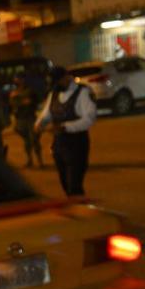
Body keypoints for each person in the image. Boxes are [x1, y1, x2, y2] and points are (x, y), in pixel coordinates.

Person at [35, 66, 97, 196]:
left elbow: (89, 119)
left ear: (66, 78)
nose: (55, 86)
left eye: (57, 82)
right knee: (65, 185)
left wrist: (65, 127)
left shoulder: (83, 92)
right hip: (59, 144)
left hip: (77, 144)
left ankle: (80, 210)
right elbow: (47, 114)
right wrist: (39, 123)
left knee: (74, 186)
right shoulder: (54, 93)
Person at [9, 73, 43, 168]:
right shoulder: (14, 92)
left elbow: (31, 101)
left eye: (18, 79)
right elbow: (13, 104)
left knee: (34, 140)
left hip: (30, 118)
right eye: (15, 79)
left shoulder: (29, 90)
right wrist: (21, 101)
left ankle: (39, 161)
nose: (16, 81)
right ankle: (30, 160)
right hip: (21, 119)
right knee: (27, 141)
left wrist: (18, 99)